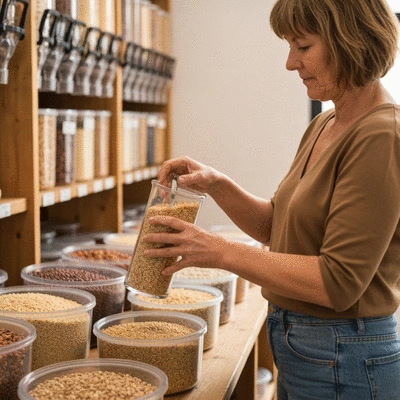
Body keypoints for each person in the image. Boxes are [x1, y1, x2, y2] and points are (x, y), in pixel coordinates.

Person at [141, 0, 400, 398]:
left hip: (344, 353)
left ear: (349, 40)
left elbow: (338, 283)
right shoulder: (326, 123)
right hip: (310, 345)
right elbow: (276, 225)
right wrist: (217, 184)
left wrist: (217, 250)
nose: (290, 63)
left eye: (302, 46)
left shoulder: (381, 135)